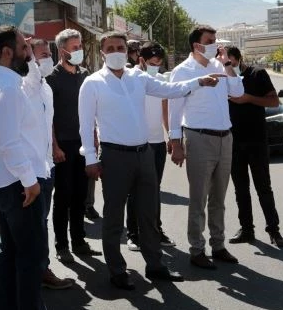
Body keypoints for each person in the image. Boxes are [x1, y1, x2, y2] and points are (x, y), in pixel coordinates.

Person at [79, 31, 221, 290]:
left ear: (127, 50)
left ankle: (155, 265)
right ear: (102, 53)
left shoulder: (138, 77)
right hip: (114, 157)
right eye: (109, 48)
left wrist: (199, 82)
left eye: (120, 47)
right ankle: (117, 270)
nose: (115, 52)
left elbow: (170, 89)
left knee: (148, 214)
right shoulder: (92, 83)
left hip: (143, 154)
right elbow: (86, 124)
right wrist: (90, 158)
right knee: (113, 217)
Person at [0, 25, 70, 310]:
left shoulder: (3, 81)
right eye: (24, 49)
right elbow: (7, 141)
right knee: (30, 261)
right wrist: (30, 182)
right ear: (8, 52)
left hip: (10, 181)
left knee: (10, 258)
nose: (29, 55)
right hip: (18, 184)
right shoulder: (7, 88)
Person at [168, 25, 244, 270]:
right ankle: (197, 249)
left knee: (219, 197)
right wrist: (175, 142)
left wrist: (229, 65)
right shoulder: (182, 72)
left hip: (225, 137)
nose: (216, 45)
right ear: (197, 45)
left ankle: (218, 245)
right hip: (198, 137)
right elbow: (175, 109)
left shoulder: (220, 66)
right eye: (211, 41)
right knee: (198, 197)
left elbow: (238, 91)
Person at [45, 29, 100, 264]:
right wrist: (55, 147)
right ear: (62, 50)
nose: (79, 51)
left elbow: (92, 111)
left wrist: (94, 140)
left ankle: (79, 240)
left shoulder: (85, 75)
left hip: (83, 143)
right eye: (74, 47)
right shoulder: (51, 79)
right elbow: (48, 118)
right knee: (64, 196)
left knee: (80, 195)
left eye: (80, 47)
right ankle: (61, 245)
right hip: (63, 146)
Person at [224, 46, 283, 248]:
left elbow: (274, 100)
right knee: (241, 189)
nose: (228, 66)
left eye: (230, 62)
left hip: (257, 141)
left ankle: (274, 230)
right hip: (233, 143)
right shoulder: (221, 77)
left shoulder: (257, 74)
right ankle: (247, 229)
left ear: (239, 58)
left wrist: (248, 99)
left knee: (263, 188)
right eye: (225, 62)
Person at [26, 39, 76, 289]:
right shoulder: (23, 85)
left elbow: (48, 123)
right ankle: (36, 272)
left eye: (48, 54)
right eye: (41, 55)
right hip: (31, 169)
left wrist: (53, 149)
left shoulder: (44, 86)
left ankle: (41, 270)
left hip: (47, 165)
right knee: (32, 224)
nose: (46, 58)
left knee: (40, 221)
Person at [125, 42, 175, 251]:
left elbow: (165, 109)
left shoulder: (161, 80)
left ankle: (156, 229)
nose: (156, 66)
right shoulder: (130, 79)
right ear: (141, 60)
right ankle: (133, 233)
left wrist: (171, 135)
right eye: (153, 63)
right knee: (135, 190)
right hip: (138, 144)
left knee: (155, 190)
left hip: (157, 144)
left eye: (159, 63)